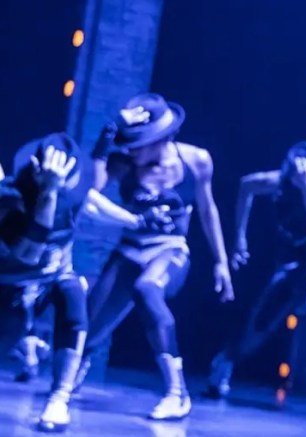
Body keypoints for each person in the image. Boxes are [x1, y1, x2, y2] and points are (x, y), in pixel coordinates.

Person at [75, 93, 235, 421]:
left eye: (140, 144)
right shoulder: (124, 162)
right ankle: (78, 364)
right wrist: (104, 143)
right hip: (129, 250)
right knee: (87, 329)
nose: (133, 150)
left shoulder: (196, 161)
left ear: (162, 139)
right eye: (130, 144)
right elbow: (93, 188)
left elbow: (208, 209)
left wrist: (221, 261)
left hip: (170, 250)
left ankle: (177, 392)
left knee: (147, 289)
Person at [0, 133, 172, 431]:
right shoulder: (9, 205)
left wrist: (137, 221)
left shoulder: (72, 192)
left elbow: (91, 202)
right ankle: (26, 348)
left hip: (52, 277)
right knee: (9, 332)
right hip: (11, 284)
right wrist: (49, 194)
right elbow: (29, 254)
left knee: (73, 296)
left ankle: (59, 397)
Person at [206, 139, 306, 413]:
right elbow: (247, 185)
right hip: (291, 260)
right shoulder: (282, 180)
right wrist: (239, 237)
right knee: (261, 320)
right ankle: (224, 363)